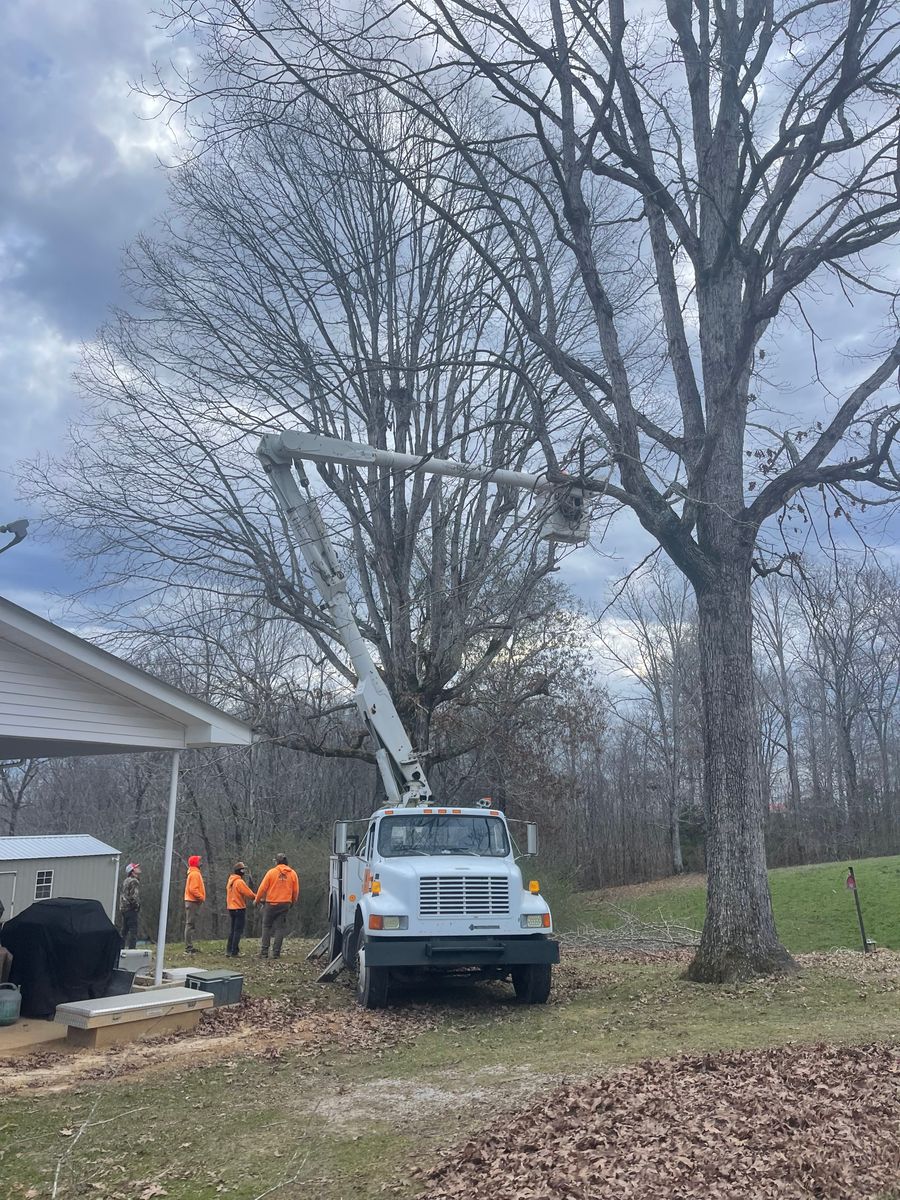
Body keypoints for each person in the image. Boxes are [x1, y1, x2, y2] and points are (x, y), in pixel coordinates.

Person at [255, 853, 299, 960]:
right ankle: (276, 953)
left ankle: (264, 952)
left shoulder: (271, 872)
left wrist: (257, 900)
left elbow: (262, 888)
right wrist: (292, 902)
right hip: (285, 904)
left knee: (266, 927)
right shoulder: (292, 874)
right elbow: (296, 891)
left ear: (277, 862)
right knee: (280, 928)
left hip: (271, 904)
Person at [225, 861, 255, 957]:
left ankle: (229, 950)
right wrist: (258, 898)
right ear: (240, 871)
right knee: (238, 930)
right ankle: (234, 952)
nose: (244, 871)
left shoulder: (230, 880)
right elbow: (249, 894)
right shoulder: (239, 882)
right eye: (243, 869)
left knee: (233, 930)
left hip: (231, 908)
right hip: (239, 908)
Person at [184, 854, 206, 953]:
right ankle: (189, 947)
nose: (201, 862)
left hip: (192, 901)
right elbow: (193, 889)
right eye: (199, 861)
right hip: (192, 902)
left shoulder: (194, 873)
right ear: (195, 863)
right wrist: (201, 897)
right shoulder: (195, 874)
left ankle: (189, 946)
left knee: (191, 924)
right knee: (190, 924)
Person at [119, 862, 141, 949]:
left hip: (124, 908)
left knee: (124, 930)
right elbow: (133, 896)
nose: (138, 868)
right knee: (133, 930)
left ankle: (120, 947)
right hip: (131, 908)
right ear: (132, 871)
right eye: (136, 868)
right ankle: (132, 948)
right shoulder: (134, 881)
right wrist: (136, 906)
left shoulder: (126, 880)